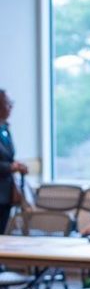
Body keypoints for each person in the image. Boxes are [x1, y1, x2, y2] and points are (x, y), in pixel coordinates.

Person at [0, 89, 29, 233]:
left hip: (6, 193)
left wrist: (17, 165)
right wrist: (11, 167)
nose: (11, 107)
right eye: (7, 103)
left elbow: (7, 156)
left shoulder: (5, 129)